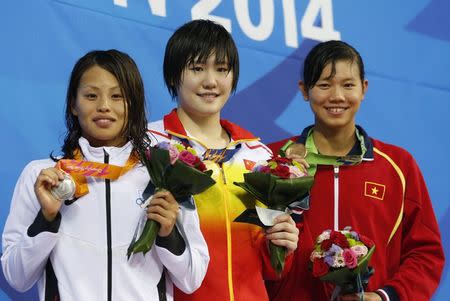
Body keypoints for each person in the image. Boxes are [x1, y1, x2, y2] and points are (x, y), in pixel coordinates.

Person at [1, 49, 209, 300]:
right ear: (73, 104)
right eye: (91, 95)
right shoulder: (44, 178)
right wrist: (46, 218)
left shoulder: (164, 177)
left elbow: (192, 278)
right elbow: (16, 276)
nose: (104, 106)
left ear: (133, 103)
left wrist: (168, 233)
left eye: (117, 96)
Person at [266, 40, 445, 301]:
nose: (337, 96)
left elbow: (426, 253)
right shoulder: (272, 160)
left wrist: (386, 296)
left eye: (348, 85)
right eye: (324, 85)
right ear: (304, 90)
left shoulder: (398, 166)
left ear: (364, 88)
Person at [147, 19, 299, 301]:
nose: (211, 81)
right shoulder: (150, 145)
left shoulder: (258, 155)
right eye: (197, 68)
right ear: (172, 76)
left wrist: (283, 245)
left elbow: (270, 269)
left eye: (221, 69)